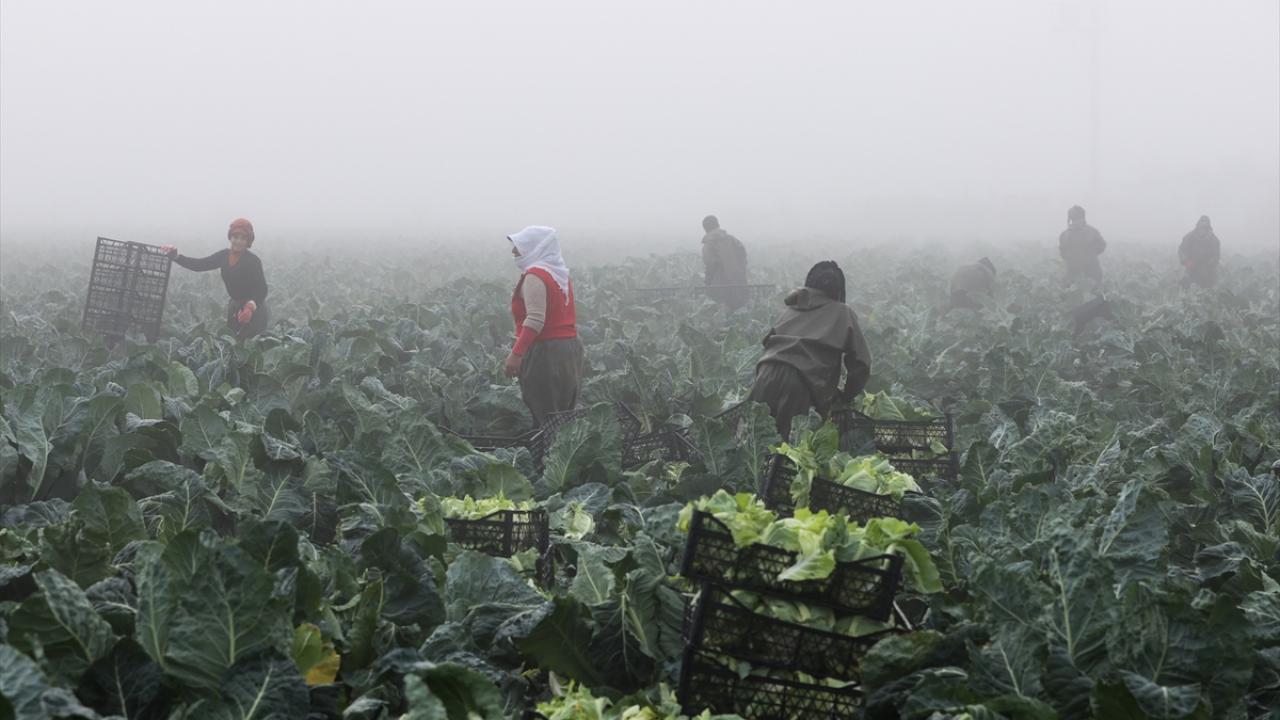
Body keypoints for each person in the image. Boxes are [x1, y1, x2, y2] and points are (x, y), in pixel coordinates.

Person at [747, 261, 871, 437]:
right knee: (789, 448)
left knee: (752, 441)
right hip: (800, 382)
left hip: (765, 374)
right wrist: (847, 395)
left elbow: (767, 340)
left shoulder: (791, 309)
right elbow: (861, 363)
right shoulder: (842, 312)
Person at [503, 226, 585, 426]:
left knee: (544, 414)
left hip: (545, 353)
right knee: (564, 413)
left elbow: (535, 320)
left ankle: (547, 456)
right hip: (570, 349)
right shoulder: (560, 274)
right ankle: (564, 455)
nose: (514, 252)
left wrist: (516, 354)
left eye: (519, 247)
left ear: (534, 247)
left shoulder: (535, 276)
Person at [161, 218, 269, 340]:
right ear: (230, 237)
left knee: (251, 347)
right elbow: (200, 265)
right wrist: (176, 256)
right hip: (235, 308)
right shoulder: (224, 256)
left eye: (243, 238)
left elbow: (262, 289)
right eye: (235, 237)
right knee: (233, 344)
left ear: (248, 241)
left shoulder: (253, 261)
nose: (238, 241)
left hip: (254, 311)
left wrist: (250, 306)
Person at [701, 215, 749, 309]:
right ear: (718, 225)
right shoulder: (733, 240)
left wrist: (707, 283)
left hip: (720, 288)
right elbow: (743, 257)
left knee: (723, 315)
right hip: (739, 284)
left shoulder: (708, 245)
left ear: (705, 229)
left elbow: (710, 265)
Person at [1058, 205, 1106, 285]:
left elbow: (1063, 253)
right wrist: (1090, 255)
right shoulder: (1092, 231)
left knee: (1071, 293)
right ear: (1083, 217)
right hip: (1092, 272)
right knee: (1095, 293)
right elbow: (1102, 246)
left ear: (1070, 219)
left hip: (1073, 273)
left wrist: (1073, 258)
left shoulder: (1064, 235)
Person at [1179, 215, 1220, 288]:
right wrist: (1185, 261)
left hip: (1207, 272)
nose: (1202, 229)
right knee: (1184, 283)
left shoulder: (1214, 240)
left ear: (1208, 228)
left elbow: (1216, 256)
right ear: (1198, 226)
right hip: (1191, 268)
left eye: (1205, 227)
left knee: (1208, 286)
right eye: (1201, 227)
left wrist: (1209, 264)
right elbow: (1182, 250)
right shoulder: (1189, 237)